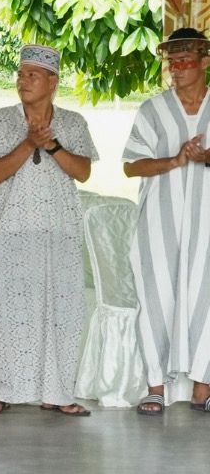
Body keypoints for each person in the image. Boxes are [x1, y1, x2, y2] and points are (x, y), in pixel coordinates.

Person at [0, 45, 96, 417]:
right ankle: (3, 390)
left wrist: (52, 145)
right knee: (6, 311)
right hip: (11, 231)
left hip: (59, 232)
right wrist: (29, 142)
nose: (22, 81)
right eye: (20, 74)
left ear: (53, 81)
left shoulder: (73, 123)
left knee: (61, 311)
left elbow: (83, 172)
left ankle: (58, 392)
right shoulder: (0, 119)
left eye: (32, 75)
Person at [123, 27, 210, 415]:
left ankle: (202, 390)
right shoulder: (153, 110)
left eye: (185, 60)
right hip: (160, 222)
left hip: (206, 223)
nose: (176, 69)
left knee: (205, 299)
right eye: (172, 62)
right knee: (158, 296)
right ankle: (155, 387)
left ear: (204, 62)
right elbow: (131, 165)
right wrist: (175, 159)